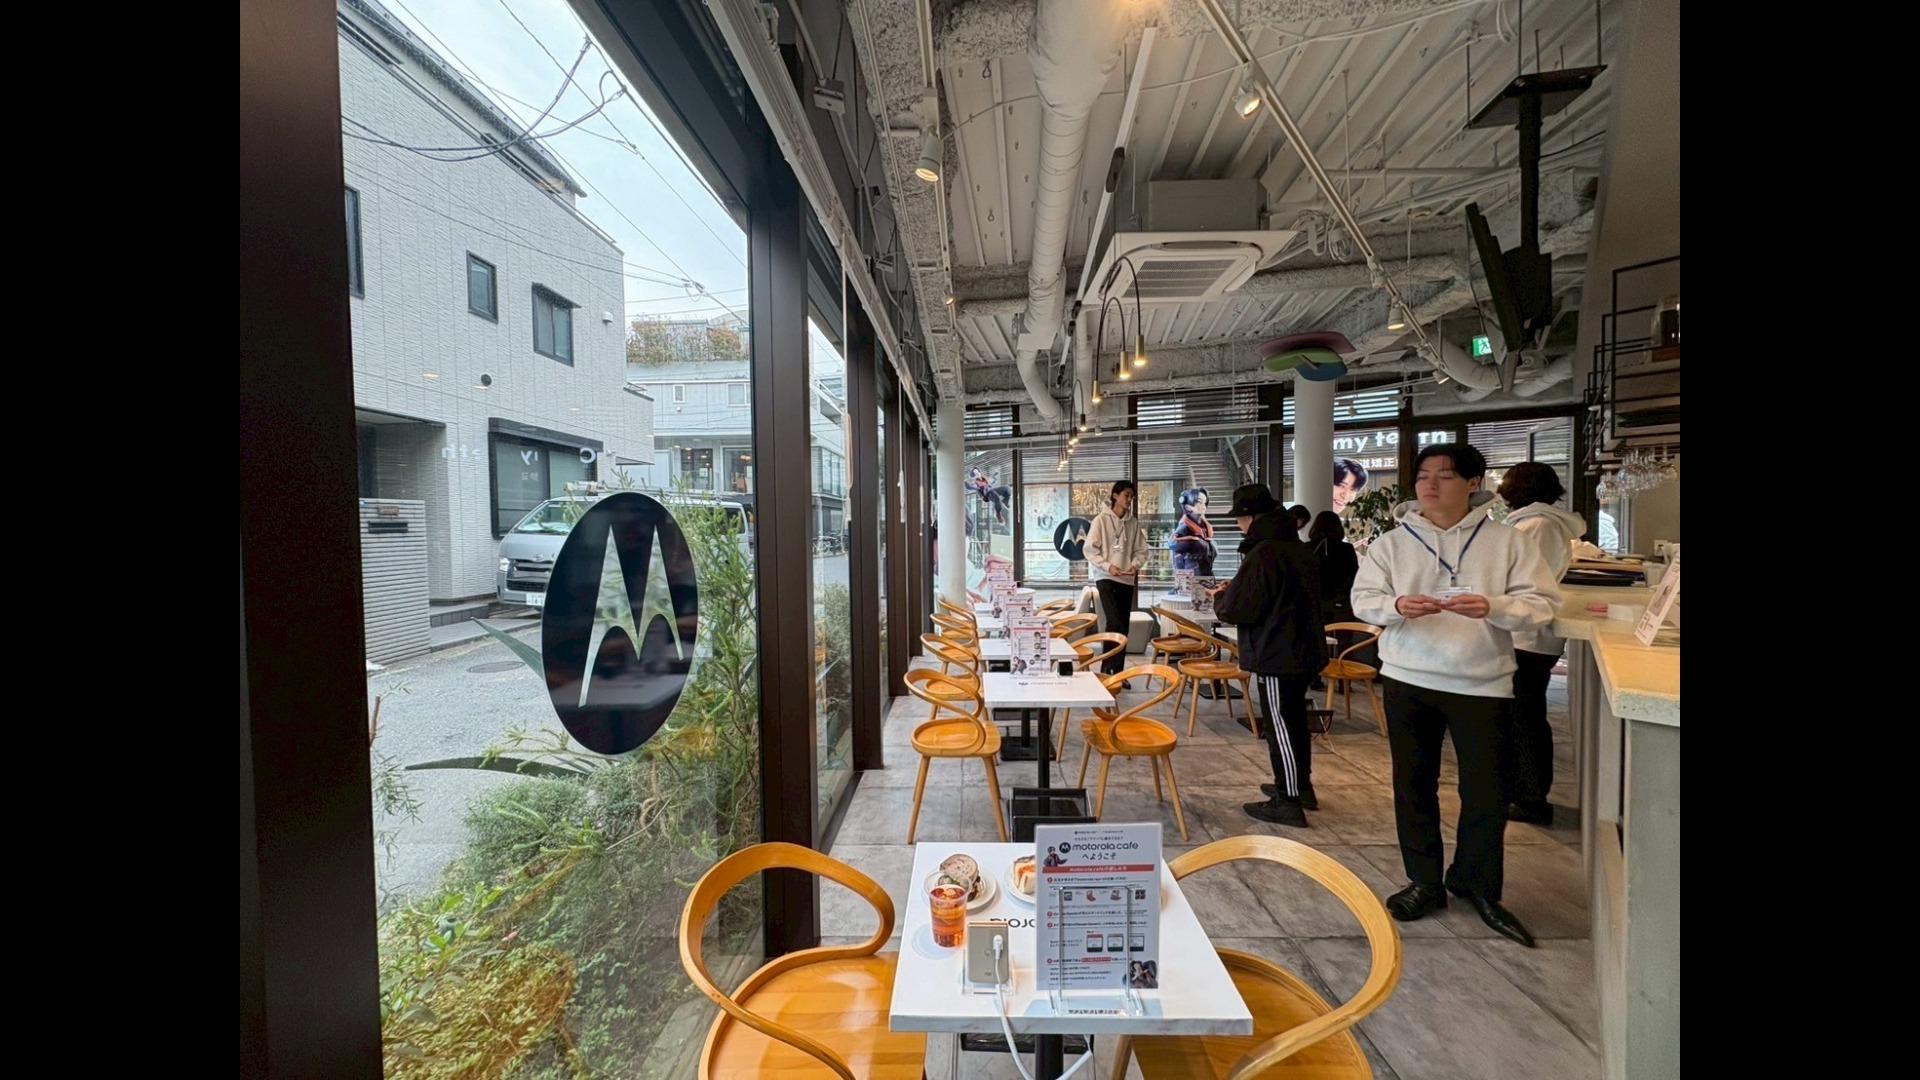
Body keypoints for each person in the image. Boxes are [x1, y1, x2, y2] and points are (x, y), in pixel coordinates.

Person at [1351, 442, 1560, 947]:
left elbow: (1543, 604)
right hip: (1408, 677)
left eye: (1444, 476)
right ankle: (1423, 880)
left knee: (1486, 791)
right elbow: (1363, 599)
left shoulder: (1507, 542)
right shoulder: (1392, 543)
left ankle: (1476, 884)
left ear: (1473, 484)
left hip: (1482, 680)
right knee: (1413, 785)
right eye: (1423, 475)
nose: (1430, 485)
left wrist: (1494, 607)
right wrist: (1396, 605)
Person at [1211, 484, 1327, 827]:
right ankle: (1300, 786)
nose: (1238, 525)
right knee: (1295, 721)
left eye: (1239, 519)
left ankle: (1288, 800)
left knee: (1280, 726)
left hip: (1278, 651)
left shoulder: (1264, 553)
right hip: (1302, 647)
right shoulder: (1295, 546)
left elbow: (1239, 609)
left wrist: (1221, 597)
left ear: (1250, 517)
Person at [1497, 462, 1584, 827]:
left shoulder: (1538, 525)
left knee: (1525, 718)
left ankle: (1531, 798)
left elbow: (1525, 581)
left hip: (1528, 635)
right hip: (1525, 634)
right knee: (1523, 715)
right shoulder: (1537, 522)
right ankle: (1524, 792)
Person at [1083, 480, 1147, 678]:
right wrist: (1107, 566)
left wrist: (1135, 565)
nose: (1129, 499)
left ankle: (1117, 673)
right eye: (1126, 495)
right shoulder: (1100, 520)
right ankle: (1107, 670)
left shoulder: (1133, 523)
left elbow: (1142, 550)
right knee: (1114, 622)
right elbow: (1089, 550)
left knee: (1123, 626)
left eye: (1132, 496)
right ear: (1115, 496)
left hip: (1126, 579)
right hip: (1106, 577)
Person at [1309, 511, 1368, 682]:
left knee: (1317, 640)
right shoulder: (1346, 549)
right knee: (1344, 641)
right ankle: (1344, 680)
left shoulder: (1307, 548)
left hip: (1316, 602)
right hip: (1341, 601)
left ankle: (1315, 679)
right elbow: (1354, 576)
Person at [1169, 488, 1215, 576]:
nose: (1203, 506)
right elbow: (1172, 543)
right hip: (1190, 572)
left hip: (1205, 569)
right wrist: (1194, 541)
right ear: (1187, 506)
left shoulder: (1204, 525)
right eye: (1199, 502)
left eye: (1205, 503)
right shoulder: (1185, 525)